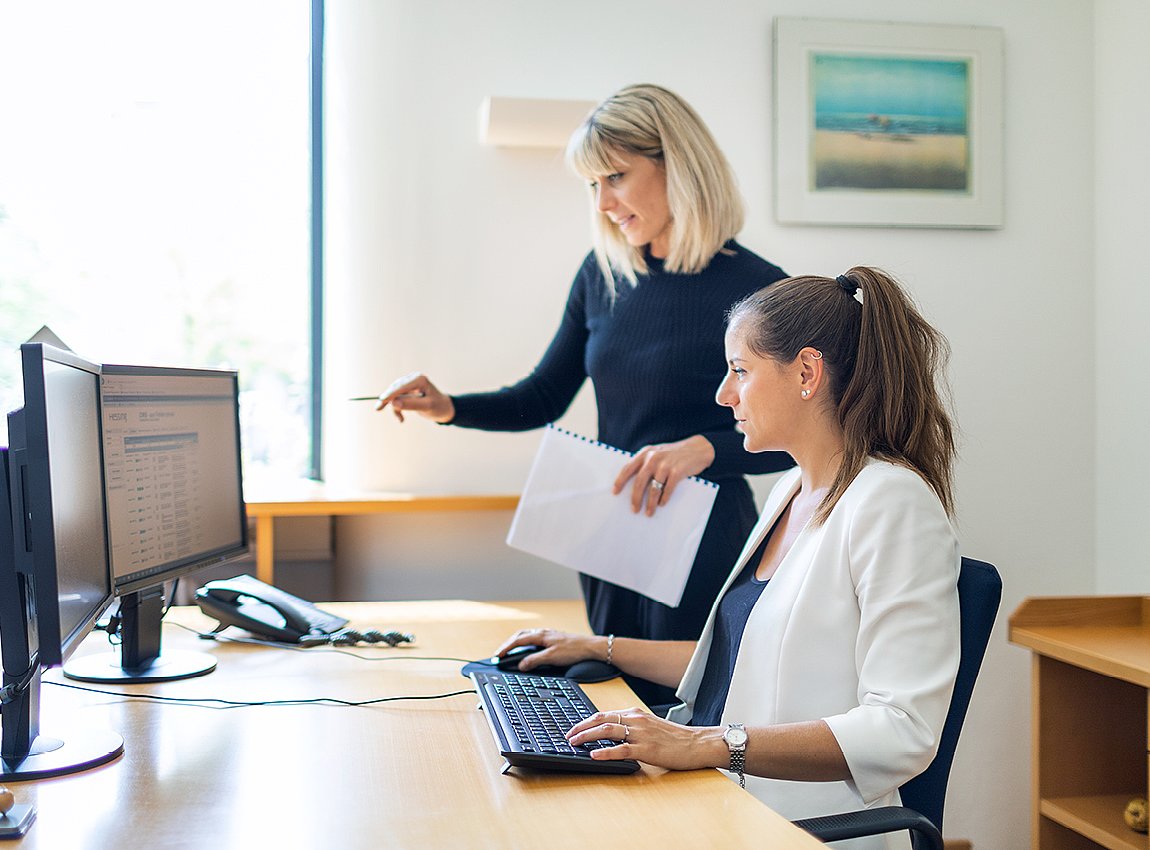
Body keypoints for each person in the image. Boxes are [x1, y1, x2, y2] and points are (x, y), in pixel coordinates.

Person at [494, 267, 961, 850]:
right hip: (718, 798)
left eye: (740, 370)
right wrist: (597, 647)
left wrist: (703, 744)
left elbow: (903, 730)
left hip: (793, 826)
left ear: (807, 373)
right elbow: (741, 659)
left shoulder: (893, 503)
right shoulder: (790, 490)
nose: (723, 394)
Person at [375, 84, 793, 707]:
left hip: (699, 538)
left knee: (682, 721)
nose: (603, 204)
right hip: (612, 530)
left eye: (616, 177)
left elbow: (794, 443)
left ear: (676, 163)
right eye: (592, 186)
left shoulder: (760, 292)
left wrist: (704, 449)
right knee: (609, 713)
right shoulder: (602, 276)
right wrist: (450, 407)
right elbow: (543, 396)